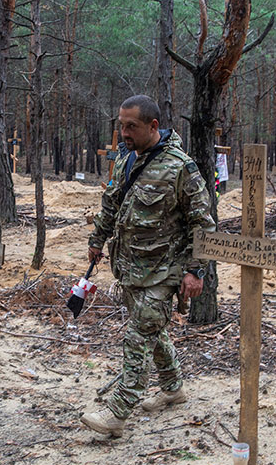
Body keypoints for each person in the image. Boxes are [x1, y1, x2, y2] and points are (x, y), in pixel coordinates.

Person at [81, 95, 216, 436]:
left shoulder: (180, 167)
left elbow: (204, 225)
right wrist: (98, 240)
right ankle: (173, 389)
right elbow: (111, 203)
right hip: (130, 267)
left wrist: (195, 270)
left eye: (131, 127)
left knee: (138, 335)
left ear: (153, 126)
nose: (123, 132)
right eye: (121, 125)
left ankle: (117, 413)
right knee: (153, 332)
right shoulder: (126, 160)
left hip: (165, 270)